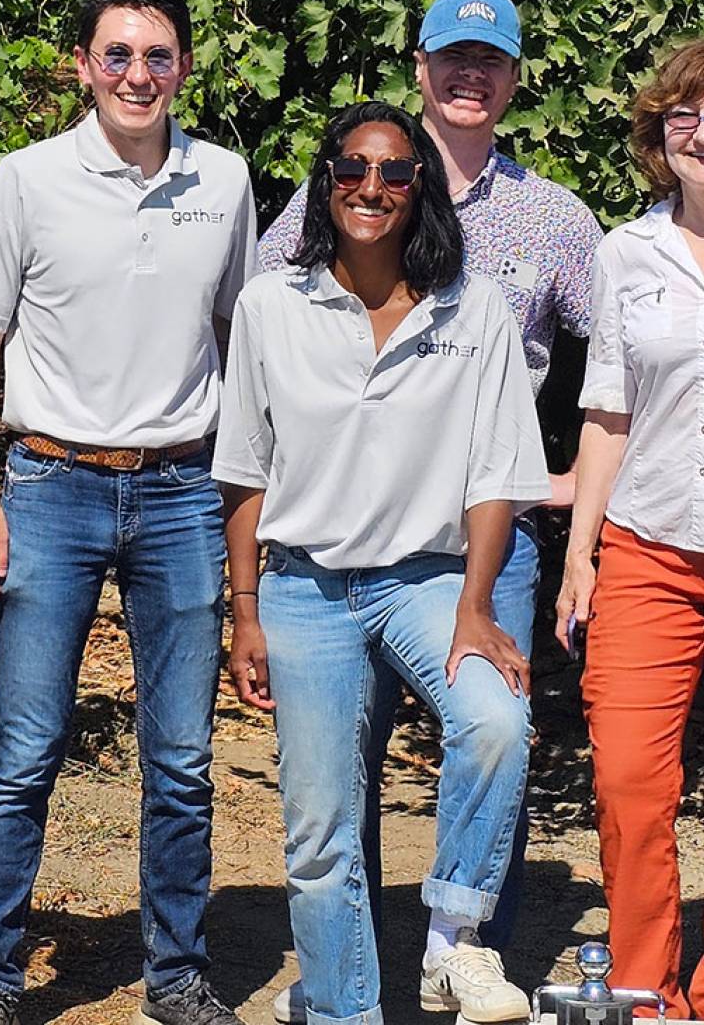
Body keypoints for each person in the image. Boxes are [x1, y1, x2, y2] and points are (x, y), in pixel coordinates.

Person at [258, 0, 601, 1019]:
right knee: (339, 764)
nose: (469, 76)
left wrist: (580, 480)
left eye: (489, 62)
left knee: (490, 723)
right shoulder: (355, 178)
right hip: (342, 528)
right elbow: (272, 313)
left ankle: (458, 951)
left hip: (481, 534)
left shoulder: (554, 217)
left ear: (512, 79)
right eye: (452, 57)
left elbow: (621, 361)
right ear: (420, 67)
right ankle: (339, 975)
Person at [0, 0, 257, 1025]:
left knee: (180, 759)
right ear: (81, 66)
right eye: (117, 54)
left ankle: (176, 974)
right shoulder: (25, 181)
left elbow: (237, 337)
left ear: (183, 66)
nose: (137, 73)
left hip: (178, 491)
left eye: (158, 54)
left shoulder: (224, 179)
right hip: (49, 484)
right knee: (24, 752)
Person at [218, 101, 550, 1025]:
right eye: (354, 169)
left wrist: (477, 605)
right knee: (322, 832)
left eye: (396, 171)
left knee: (494, 721)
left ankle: (453, 941)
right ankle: (340, 1008)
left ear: (421, 188)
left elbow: (496, 474)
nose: (374, 187)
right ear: (327, 183)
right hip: (304, 588)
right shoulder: (270, 304)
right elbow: (243, 471)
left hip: (429, 580)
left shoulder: (472, 308)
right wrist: (244, 613)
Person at [557, 38, 704, 1019]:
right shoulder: (625, 252)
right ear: (662, 132)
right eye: (688, 113)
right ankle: (648, 990)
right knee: (628, 778)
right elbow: (606, 409)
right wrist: (581, 553)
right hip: (651, 547)